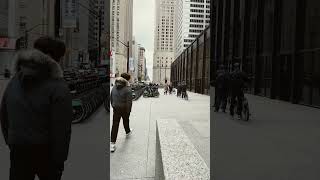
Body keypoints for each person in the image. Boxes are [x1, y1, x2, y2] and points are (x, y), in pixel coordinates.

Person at [0, 36, 72, 180]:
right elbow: (62, 127)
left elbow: (4, 114)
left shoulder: (15, 80)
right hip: (46, 152)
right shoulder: (57, 85)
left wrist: (12, 141)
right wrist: (59, 159)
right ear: (52, 57)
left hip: (18, 149)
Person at [110, 73, 133, 152]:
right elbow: (129, 102)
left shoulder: (114, 87)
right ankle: (127, 132)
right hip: (124, 108)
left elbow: (111, 98)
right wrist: (128, 111)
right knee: (126, 120)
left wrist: (113, 106)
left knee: (115, 125)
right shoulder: (128, 88)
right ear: (127, 79)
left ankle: (112, 144)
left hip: (116, 108)